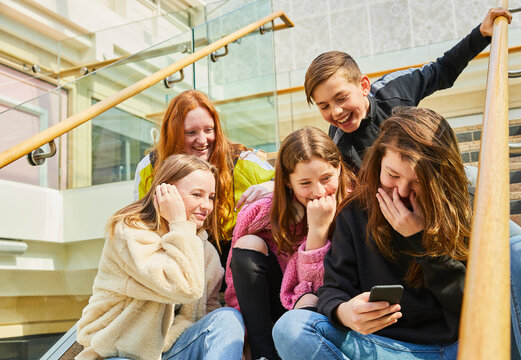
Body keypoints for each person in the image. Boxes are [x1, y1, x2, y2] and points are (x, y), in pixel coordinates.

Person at [272, 107, 521, 360]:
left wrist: (422, 242)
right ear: (378, 163)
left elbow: (480, 308)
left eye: (416, 182)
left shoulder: (468, 206)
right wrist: (344, 312)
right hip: (391, 349)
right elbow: (333, 289)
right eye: (392, 175)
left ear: (440, 180)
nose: (400, 191)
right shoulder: (354, 213)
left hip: (472, 342)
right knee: (291, 328)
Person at [76, 154, 244, 360]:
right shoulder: (130, 232)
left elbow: (207, 310)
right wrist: (178, 221)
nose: (207, 206)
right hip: (119, 352)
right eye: (197, 194)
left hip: (173, 349)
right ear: (166, 192)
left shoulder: (203, 249)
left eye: (210, 197)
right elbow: (185, 288)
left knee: (227, 318)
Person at [304, 7, 512, 172]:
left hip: (435, 172)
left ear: (364, 86)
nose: (336, 112)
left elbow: (442, 70)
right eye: (324, 106)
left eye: (341, 98)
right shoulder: (338, 143)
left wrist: (481, 35)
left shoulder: (394, 89)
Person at [224, 127, 352, 360]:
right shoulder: (261, 212)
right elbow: (235, 279)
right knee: (247, 243)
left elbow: (314, 288)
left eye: (326, 178)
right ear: (288, 182)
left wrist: (318, 231)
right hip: (278, 301)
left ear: (339, 169)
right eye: (305, 183)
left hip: (327, 306)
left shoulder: (353, 209)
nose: (319, 191)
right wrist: (241, 330)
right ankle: (263, 354)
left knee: (308, 298)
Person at [133, 90, 275, 258]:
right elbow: (142, 222)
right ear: (173, 133)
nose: (202, 140)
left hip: (232, 256)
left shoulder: (240, 161)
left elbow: (287, 182)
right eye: (191, 132)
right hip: (175, 253)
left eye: (208, 130)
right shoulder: (150, 166)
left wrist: (271, 185)